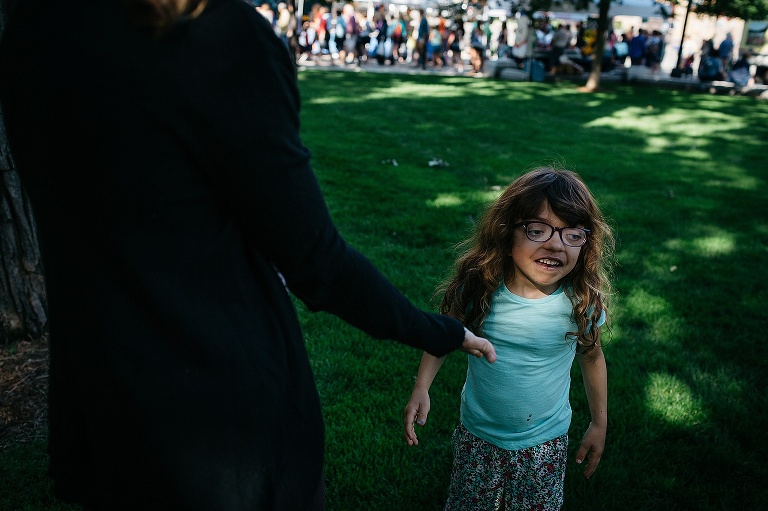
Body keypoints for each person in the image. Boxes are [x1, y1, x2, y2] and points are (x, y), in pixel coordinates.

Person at [0, 1, 497, 510]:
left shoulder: (36, 26)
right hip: (224, 422)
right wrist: (439, 329)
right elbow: (316, 261)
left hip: (103, 408)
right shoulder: (219, 37)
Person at [403, 167, 614, 510]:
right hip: (478, 435)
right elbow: (445, 335)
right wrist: (421, 387)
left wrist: (599, 422)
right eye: (537, 230)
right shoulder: (481, 288)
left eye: (572, 234)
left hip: (545, 441)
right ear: (507, 232)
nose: (555, 243)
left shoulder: (580, 302)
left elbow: (591, 357)